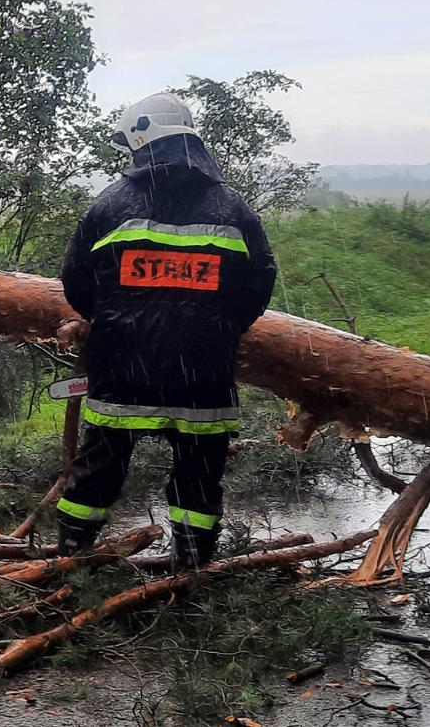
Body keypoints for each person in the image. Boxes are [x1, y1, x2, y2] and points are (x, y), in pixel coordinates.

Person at [55, 91, 277, 568]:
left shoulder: (110, 205)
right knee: (199, 479)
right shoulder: (232, 209)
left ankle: (69, 566)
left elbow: (75, 280)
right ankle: (190, 576)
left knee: (96, 473)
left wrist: (112, 320)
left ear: (142, 137)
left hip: (121, 369)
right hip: (203, 374)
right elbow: (260, 281)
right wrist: (220, 327)